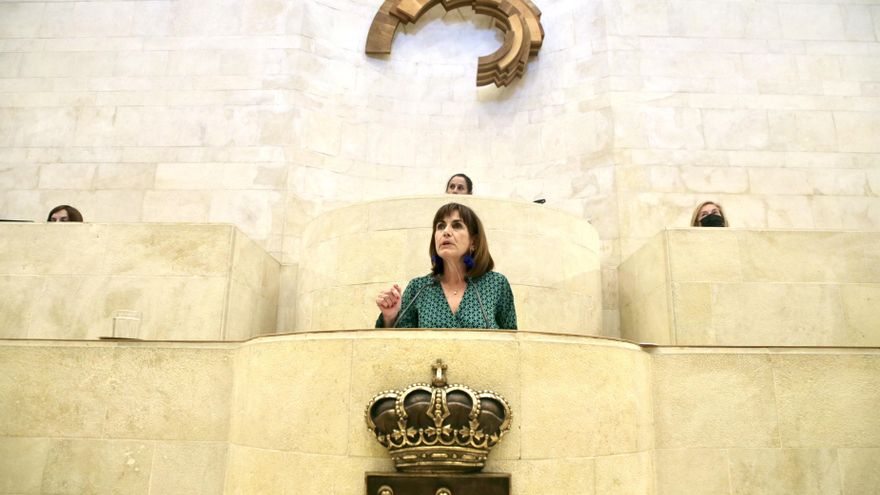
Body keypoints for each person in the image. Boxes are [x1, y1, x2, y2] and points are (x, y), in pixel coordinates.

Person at [375, 202, 516, 329]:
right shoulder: (418, 288)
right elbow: (400, 346)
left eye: (456, 225)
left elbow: (513, 343)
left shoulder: (496, 284)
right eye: (441, 226)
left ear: (474, 242)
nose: (446, 232)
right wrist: (390, 317)